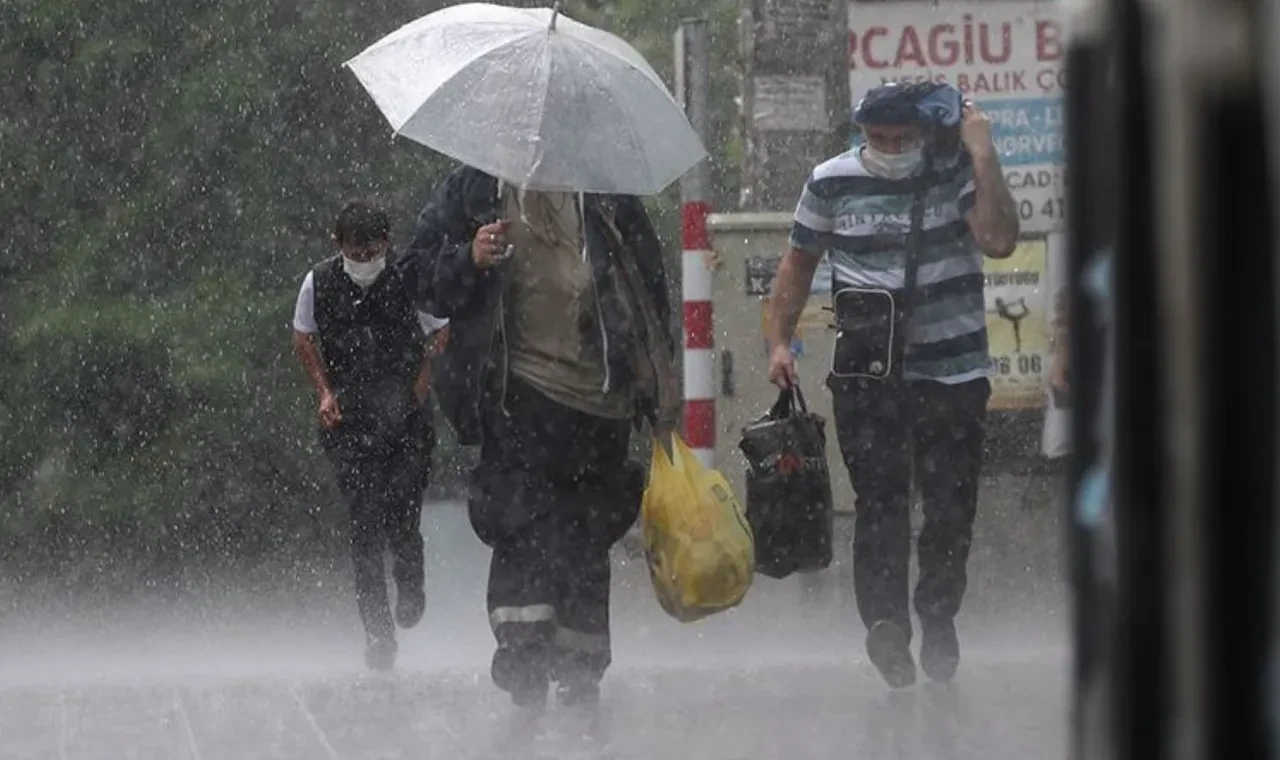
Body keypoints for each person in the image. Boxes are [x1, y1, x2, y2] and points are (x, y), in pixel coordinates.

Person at [766, 83, 1020, 688]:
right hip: (867, 376)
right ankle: (885, 623)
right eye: (877, 139)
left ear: (926, 134)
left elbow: (998, 239)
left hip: (953, 373)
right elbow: (796, 265)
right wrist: (779, 341)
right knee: (880, 502)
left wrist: (983, 154)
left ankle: (937, 613)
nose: (888, 149)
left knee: (949, 507)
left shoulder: (955, 172)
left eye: (901, 139)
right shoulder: (831, 181)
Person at [406, 166, 679, 710]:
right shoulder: (476, 190)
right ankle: (523, 655)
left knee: (585, 530)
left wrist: (656, 390)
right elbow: (418, 279)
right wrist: (469, 258)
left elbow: (648, 290)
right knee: (522, 521)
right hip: (516, 389)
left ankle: (581, 664)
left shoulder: (606, 192)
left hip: (600, 397)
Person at [291, 199, 446, 671]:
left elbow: (441, 333)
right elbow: (303, 337)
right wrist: (323, 392)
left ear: (387, 244)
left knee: (403, 514)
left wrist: (421, 384)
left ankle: (411, 577)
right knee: (363, 527)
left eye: (372, 252)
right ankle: (378, 634)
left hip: (405, 419)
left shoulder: (407, 278)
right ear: (337, 245)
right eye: (355, 254)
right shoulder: (318, 282)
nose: (364, 262)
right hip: (349, 422)